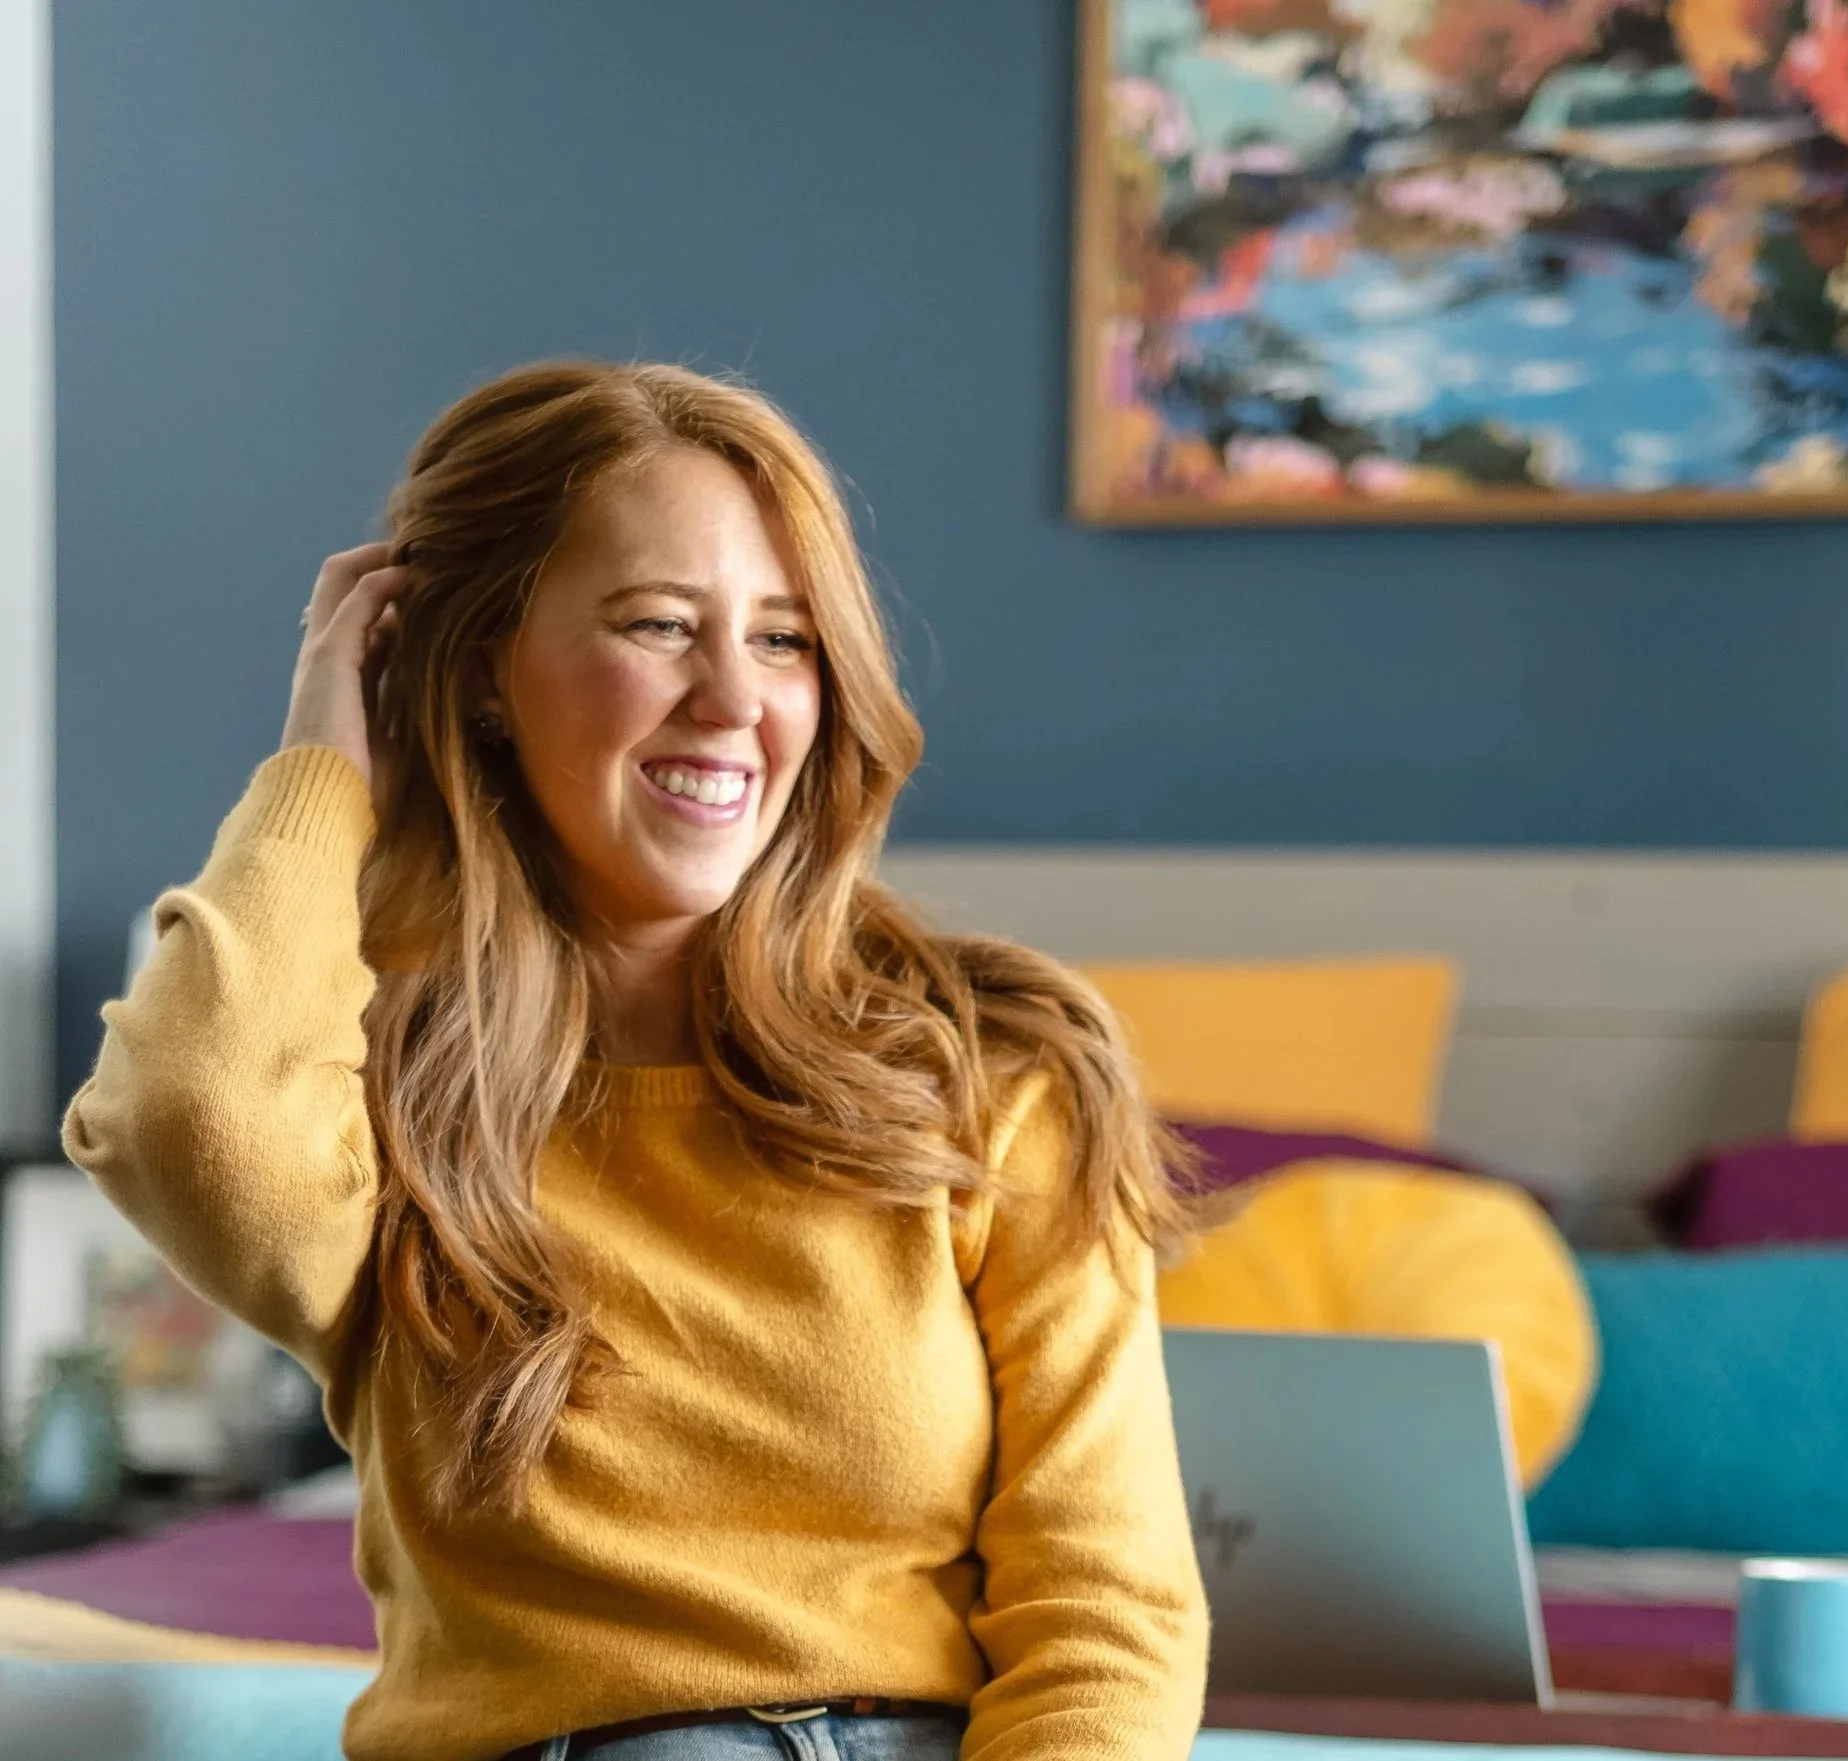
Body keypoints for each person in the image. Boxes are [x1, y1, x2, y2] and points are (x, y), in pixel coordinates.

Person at [65, 361, 1210, 1761]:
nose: (735, 700)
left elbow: (1107, 1612)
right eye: (661, 626)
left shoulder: (997, 1070)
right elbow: (188, 1116)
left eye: (786, 641)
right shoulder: (373, 1099)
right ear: (485, 670)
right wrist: (325, 758)